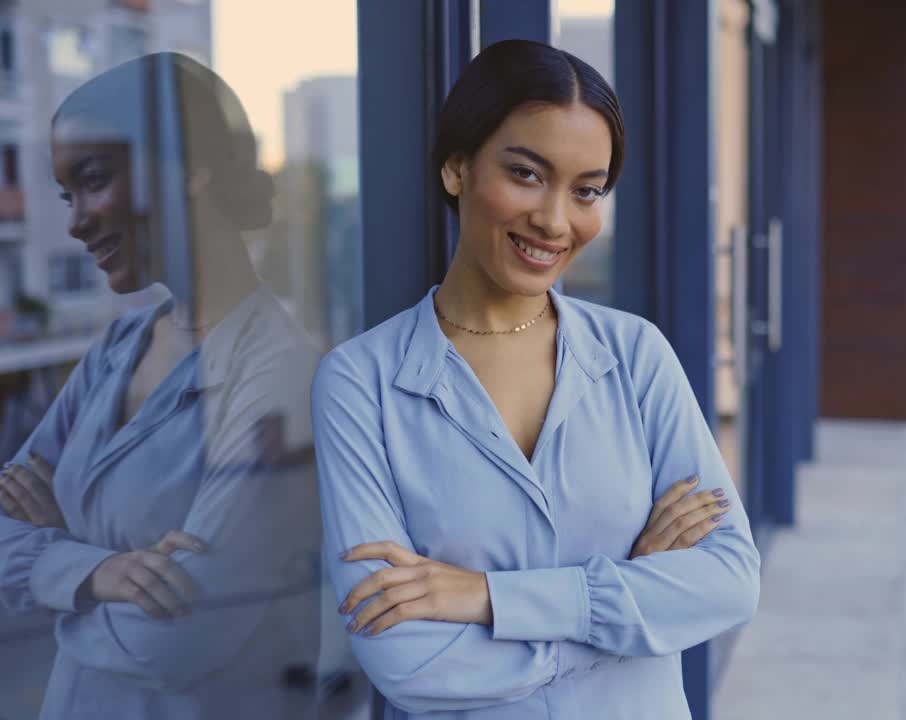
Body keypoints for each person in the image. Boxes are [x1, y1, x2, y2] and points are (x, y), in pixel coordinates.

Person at [312, 39, 760, 719]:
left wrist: (491, 599)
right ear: (457, 166)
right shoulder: (358, 384)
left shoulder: (637, 356)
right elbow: (406, 658)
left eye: (586, 191)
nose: (555, 220)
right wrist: (633, 602)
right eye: (526, 174)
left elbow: (729, 582)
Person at [0, 52, 322, 719]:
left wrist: (54, 562)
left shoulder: (280, 374)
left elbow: (178, 639)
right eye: (66, 195)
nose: (76, 220)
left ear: (190, 168)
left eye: (93, 181)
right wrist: (97, 572)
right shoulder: (120, 346)